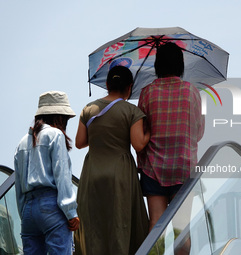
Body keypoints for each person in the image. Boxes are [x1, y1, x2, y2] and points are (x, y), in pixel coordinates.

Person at [74, 65, 150, 255]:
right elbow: (138, 144)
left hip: (92, 173)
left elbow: (80, 142)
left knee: (94, 224)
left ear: (107, 84)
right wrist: (149, 132)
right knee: (120, 223)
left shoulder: (88, 109)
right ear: (129, 87)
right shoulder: (132, 111)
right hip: (120, 174)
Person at [137, 42, 205, 234]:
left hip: (153, 169)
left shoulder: (147, 92)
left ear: (158, 65)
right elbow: (198, 134)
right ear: (180, 64)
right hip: (184, 167)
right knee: (182, 229)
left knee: (155, 225)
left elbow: (141, 133)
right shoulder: (193, 92)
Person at [14, 91, 80, 255]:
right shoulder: (55, 135)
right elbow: (62, 175)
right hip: (51, 205)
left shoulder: (22, 143)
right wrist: (71, 212)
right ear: (59, 116)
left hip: (28, 210)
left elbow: (19, 186)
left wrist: (25, 214)